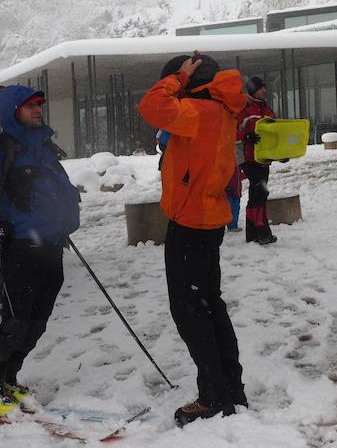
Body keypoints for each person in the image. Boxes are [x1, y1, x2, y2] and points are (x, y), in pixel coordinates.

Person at [0, 85, 81, 416]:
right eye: (29, 106)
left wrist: (64, 221)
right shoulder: (1, 150)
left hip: (51, 246)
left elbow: (59, 192)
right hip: (19, 249)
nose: (37, 110)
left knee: (36, 322)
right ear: (13, 112)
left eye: (39, 104)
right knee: (13, 323)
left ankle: (8, 378)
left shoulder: (44, 147)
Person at [138, 53, 249, 426]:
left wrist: (177, 79)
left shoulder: (196, 111)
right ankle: (230, 388)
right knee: (209, 305)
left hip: (190, 223)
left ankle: (213, 396)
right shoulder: (220, 110)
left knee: (191, 312)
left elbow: (151, 105)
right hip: (206, 218)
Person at [237, 76, 278, 244]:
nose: (264, 90)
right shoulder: (245, 110)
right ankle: (262, 232)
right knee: (260, 193)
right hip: (249, 159)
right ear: (253, 90)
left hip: (264, 159)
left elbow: (276, 133)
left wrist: (280, 153)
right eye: (261, 88)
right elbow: (232, 130)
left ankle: (253, 233)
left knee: (256, 195)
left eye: (264, 87)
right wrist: (246, 136)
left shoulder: (267, 110)